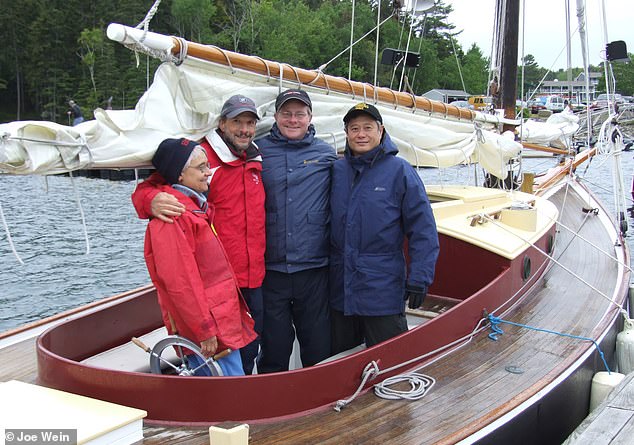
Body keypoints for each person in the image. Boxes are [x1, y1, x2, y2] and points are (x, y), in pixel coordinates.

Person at [131, 95, 265, 374]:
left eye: (250, 122)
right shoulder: (195, 161)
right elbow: (156, 184)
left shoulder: (258, 156)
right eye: (237, 122)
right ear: (221, 124)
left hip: (249, 283)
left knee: (251, 351)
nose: (244, 129)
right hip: (217, 298)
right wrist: (150, 200)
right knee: (227, 372)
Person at [329, 103, 440, 354]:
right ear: (346, 133)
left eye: (368, 128)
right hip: (340, 290)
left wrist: (420, 278)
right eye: (354, 128)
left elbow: (422, 229)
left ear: (381, 131)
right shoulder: (337, 170)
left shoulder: (399, 171)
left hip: (381, 290)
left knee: (392, 360)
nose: (361, 134)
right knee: (341, 364)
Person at [255, 89, 337, 373]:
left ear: (310, 117)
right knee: (274, 347)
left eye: (299, 114)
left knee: (318, 348)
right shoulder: (257, 152)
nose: (293, 119)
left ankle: (320, 405)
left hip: (314, 269)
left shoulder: (326, 155)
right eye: (286, 114)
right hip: (271, 270)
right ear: (276, 116)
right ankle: (272, 406)